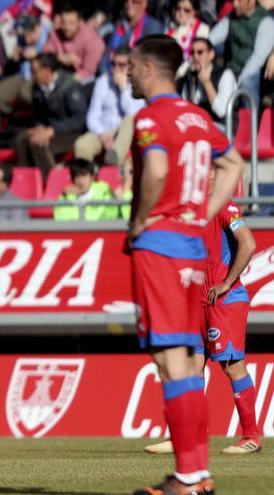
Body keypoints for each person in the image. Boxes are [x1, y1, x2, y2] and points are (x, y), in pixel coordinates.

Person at [126, 34, 244, 495]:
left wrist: (140, 222)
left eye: (133, 65)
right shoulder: (200, 118)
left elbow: (155, 170)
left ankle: (190, 477)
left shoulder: (151, 117)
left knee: (172, 360)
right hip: (193, 249)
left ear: (151, 67)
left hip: (160, 245)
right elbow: (233, 164)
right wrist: (201, 215)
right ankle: (197, 474)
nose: (128, 72)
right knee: (188, 359)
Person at [145, 199, 261, 457]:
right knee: (189, 368)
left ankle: (251, 436)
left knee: (232, 366)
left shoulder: (224, 206)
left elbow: (249, 243)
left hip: (224, 301)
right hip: (195, 301)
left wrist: (227, 283)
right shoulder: (187, 210)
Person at [15, 53, 87, 178]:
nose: (31, 74)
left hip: (72, 133)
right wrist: (40, 128)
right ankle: (27, 180)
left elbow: (79, 119)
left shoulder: (69, 86)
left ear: (47, 71)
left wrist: (53, 130)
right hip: (50, 129)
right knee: (23, 138)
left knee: (38, 142)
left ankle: (52, 182)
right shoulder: (37, 88)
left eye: (34, 71)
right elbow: (40, 115)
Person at [74, 47, 145, 167]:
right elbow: (92, 115)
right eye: (113, 64)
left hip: (125, 134)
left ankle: (114, 161)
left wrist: (123, 88)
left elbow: (134, 113)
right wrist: (102, 134)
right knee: (82, 145)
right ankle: (84, 179)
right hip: (103, 131)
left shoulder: (138, 84)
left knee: (130, 119)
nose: (116, 69)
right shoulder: (103, 82)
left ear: (131, 66)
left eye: (121, 65)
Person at [209, 0, 274, 102]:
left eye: (239, 1)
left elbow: (258, 59)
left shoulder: (266, 22)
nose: (235, 4)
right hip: (232, 70)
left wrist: (241, 80)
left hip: (254, 77)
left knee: (248, 81)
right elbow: (212, 39)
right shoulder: (232, 17)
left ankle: (251, 115)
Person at [178, 38, 237, 130]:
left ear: (211, 54)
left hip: (222, 129)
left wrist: (206, 83)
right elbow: (184, 108)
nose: (195, 57)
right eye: (192, 53)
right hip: (197, 127)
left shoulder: (225, 75)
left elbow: (221, 111)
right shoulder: (189, 78)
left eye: (200, 52)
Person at [42, 4, 105, 84]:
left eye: (71, 23)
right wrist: (60, 58)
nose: (66, 27)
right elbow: (45, 53)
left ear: (80, 22)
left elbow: (89, 72)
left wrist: (65, 81)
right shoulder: (56, 33)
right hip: (58, 74)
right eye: (64, 22)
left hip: (82, 80)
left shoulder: (93, 41)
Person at [53, 158, 121, 221]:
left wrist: (77, 216)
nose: (81, 181)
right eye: (77, 176)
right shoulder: (66, 195)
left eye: (84, 176)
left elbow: (111, 215)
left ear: (92, 177)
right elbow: (60, 217)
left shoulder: (104, 191)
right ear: (72, 179)